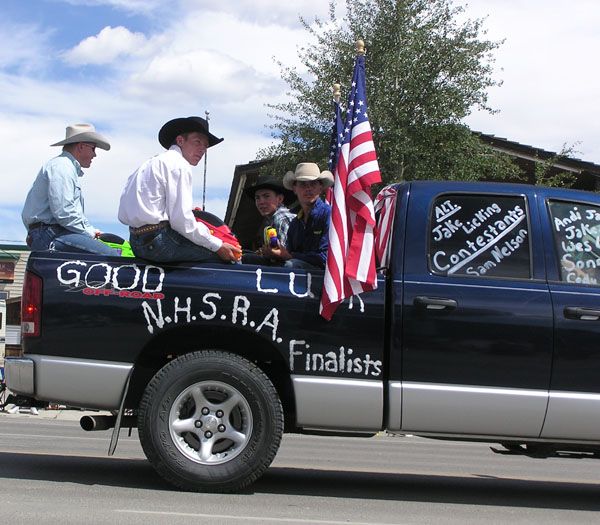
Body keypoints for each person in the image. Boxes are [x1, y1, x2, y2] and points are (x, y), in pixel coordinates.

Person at [118, 116, 241, 263]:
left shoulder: (147, 164)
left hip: (136, 241)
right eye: (197, 142)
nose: (202, 149)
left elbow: (123, 215)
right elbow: (181, 221)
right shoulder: (179, 165)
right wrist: (218, 246)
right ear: (180, 141)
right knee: (230, 259)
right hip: (160, 242)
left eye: (205, 146)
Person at [22, 123, 121, 255]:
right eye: (93, 149)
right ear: (81, 146)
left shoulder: (63, 167)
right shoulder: (62, 167)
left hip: (48, 232)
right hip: (49, 233)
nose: (95, 155)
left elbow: (72, 213)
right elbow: (64, 212)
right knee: (112, 255)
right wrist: (90, 233)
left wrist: (91, 230)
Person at [263, 162, 333, 270]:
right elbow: (289, 253)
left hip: (321, 278)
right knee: (250, 259)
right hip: (301, 274)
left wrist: (288, 256)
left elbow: (326, 258)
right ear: (294, 189)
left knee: (291, 265)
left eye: (313, 184)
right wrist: (275, 253)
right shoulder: (295, 222)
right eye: (303, 184)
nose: (308, 188)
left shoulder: (328, 214)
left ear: (321, 188)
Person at [241, 179, 295, 265]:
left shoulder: (281, 218)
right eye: (257, 198)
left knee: (245, 259)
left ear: (280, 199)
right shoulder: (272, 220)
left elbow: (282, 255)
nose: (261, 202)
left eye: (266, 196)